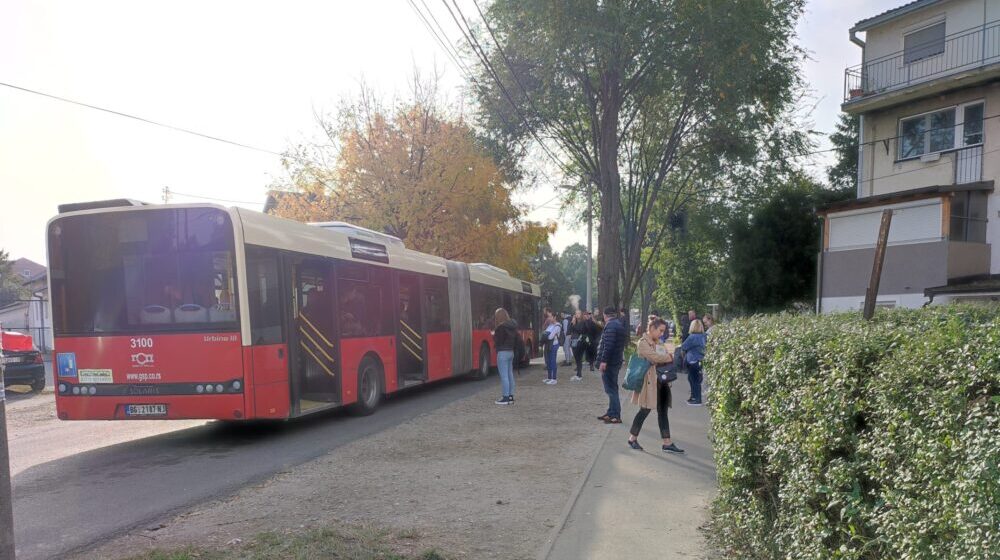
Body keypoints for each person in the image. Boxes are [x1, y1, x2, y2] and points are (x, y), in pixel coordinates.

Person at [627, 316, 684, 453]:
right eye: (661, 330)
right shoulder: (643, 342)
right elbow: (655, 357)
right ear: (652, 329)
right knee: (644, 410)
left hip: (662, 381)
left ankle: (667, 443)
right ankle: (632, 438)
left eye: (664, 331)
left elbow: (660, 357)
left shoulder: (658, 341)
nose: (662, 333)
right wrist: (668, 357)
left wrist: (664, 357)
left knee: (663, 411)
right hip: (649, 383)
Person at [596, 306, 628, 424]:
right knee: (612, 388)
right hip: (615, 361)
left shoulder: (610, 326)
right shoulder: (618, 324)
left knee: (611, 389)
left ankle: (615, 415)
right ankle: (611, 412)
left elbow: (608, 345)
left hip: (610, 362)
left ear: (605, 315)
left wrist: (603, 361)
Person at [492, 308, 519, 405]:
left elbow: (499, 341)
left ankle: (505, 397)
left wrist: (493, 335)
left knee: (504, 376)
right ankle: (511, 396)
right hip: (511, 352)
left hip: (502, 353)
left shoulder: (500, 327)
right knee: (510, 374)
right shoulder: (512, 326)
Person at [681, 319, 707, 405]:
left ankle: (697, 399)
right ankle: (693, 397)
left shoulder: (692, 337)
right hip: (701, 360)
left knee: (694, 380)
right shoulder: (704, 336)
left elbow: (684, 346)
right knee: (694, 379)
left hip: (692, 360)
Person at [543, 312, 562, 384]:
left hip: (554, 345)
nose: (549, 318)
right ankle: (549, 377)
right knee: (548, 361)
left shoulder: (557, 326)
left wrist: (545, 335)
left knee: (552, 361)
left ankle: (554, 379)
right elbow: (544, 332)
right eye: (548, 317)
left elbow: (550, 336)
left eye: (550, 317)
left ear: (554, 317)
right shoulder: (550, 325)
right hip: (548, 345)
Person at [569, 311, 588, 381]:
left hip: (580, 342)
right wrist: (572, 323)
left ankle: (579, 375)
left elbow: (580, 330)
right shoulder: (574, 322)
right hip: (573, 341)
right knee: (576, 358)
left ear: (581, 315)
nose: (577, 315)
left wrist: (574, 325)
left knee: (579, 358)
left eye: (578, 313)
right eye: (576, 313)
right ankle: (578, 374)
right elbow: (569, 330)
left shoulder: (583, 322)